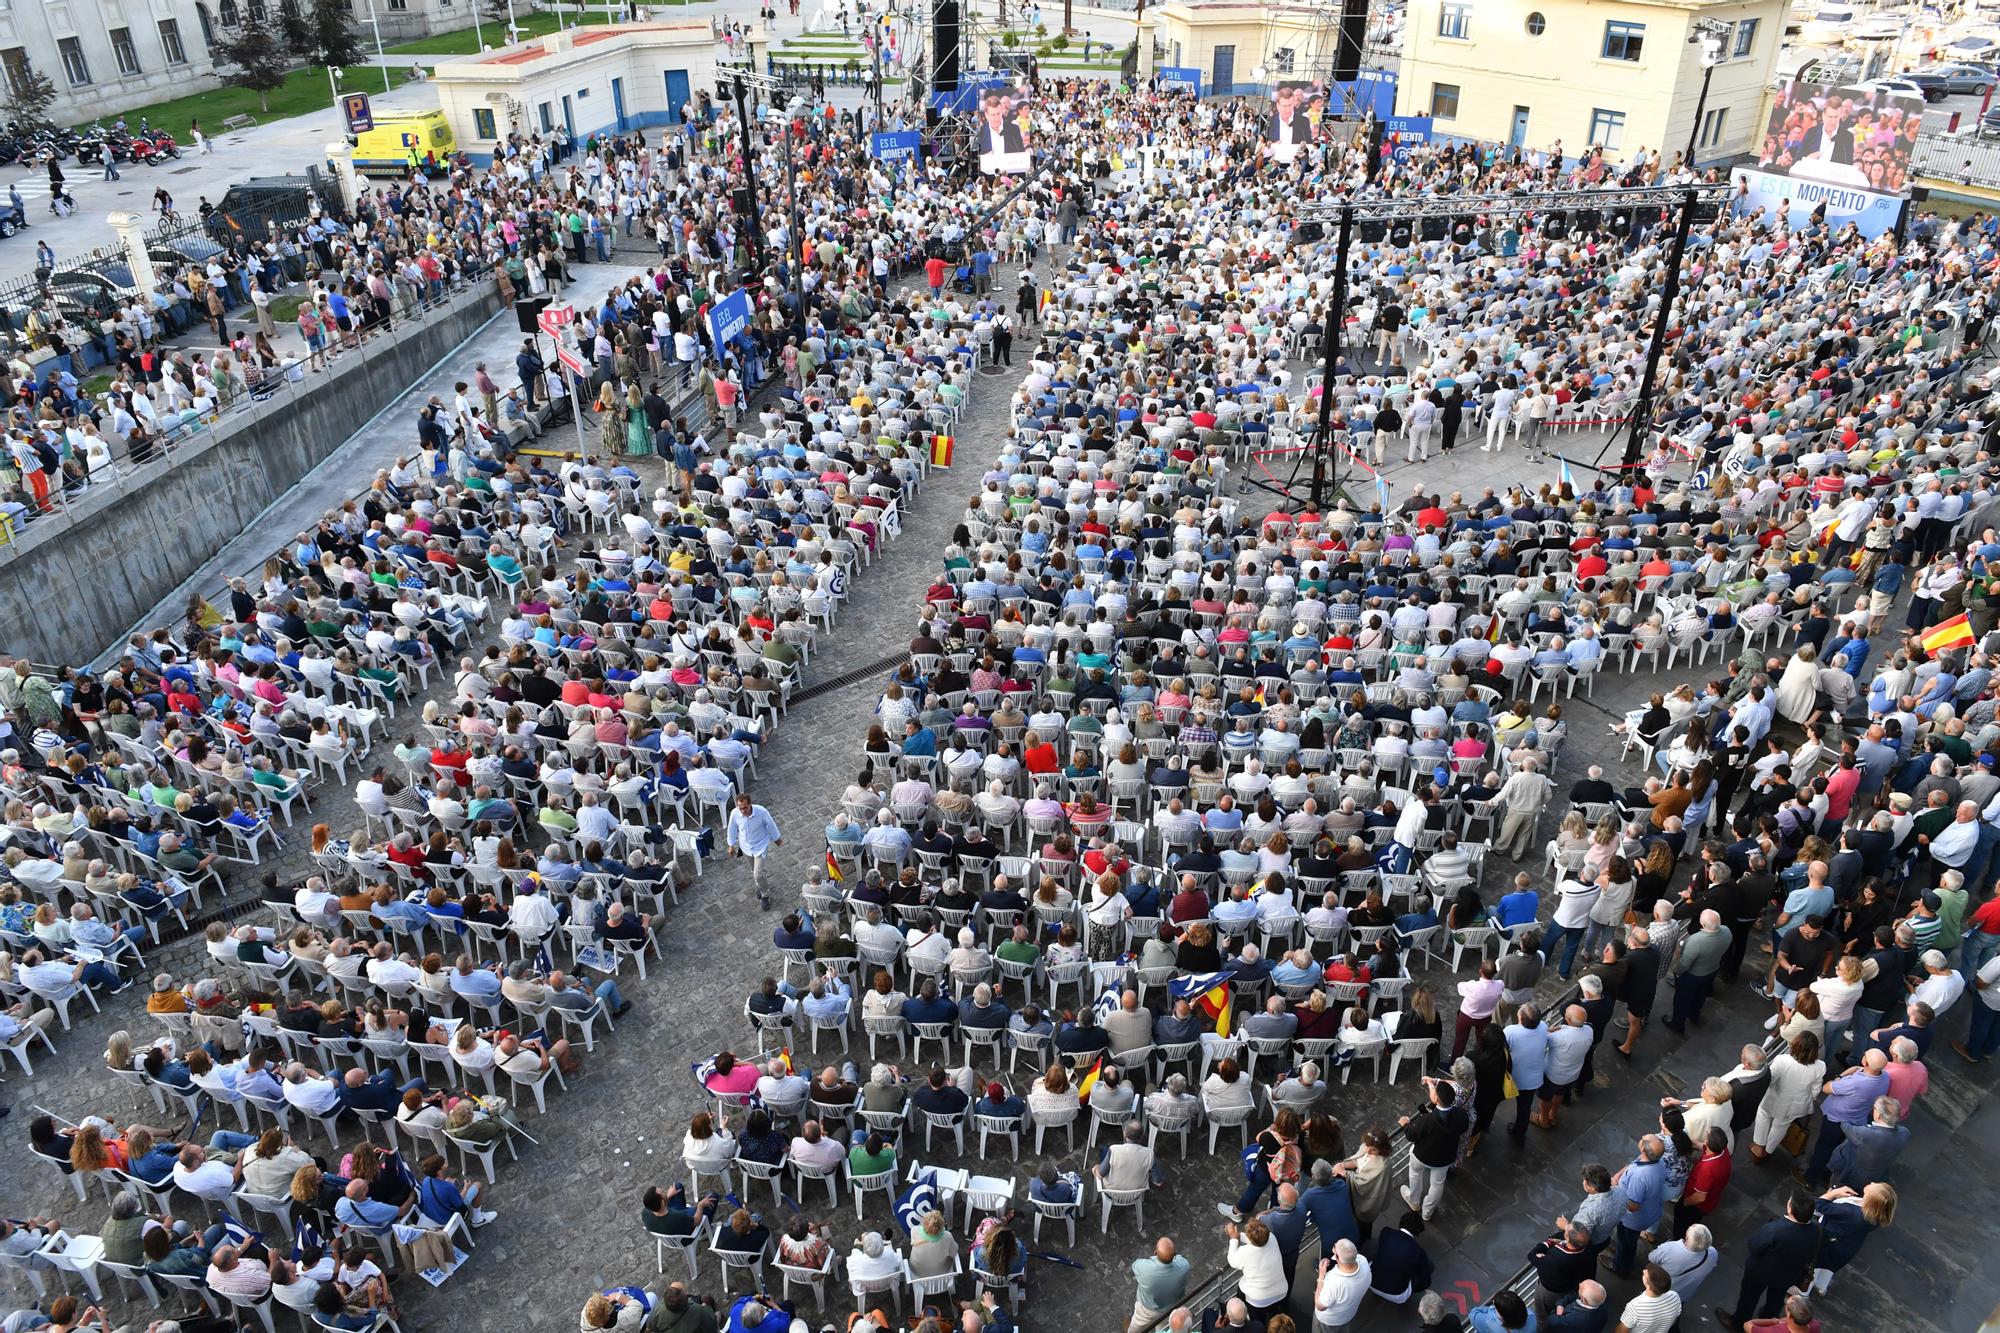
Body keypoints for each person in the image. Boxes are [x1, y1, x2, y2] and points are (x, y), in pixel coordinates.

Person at [1718, 1189, 1821, 1331]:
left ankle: (1738, 1323)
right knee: (1776, 1301)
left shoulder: (1776, 1229)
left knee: (1749, 1297)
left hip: (1761, 1272)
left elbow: (1754, 1246)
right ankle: (1769, 1320)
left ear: (1790, 1208)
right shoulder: (1816, 1229)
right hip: (1788, 1275)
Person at [725, 793, 782, 909]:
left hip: (761, 845)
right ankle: (759, 885)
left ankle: (765, 894)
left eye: (745, 807)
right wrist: (731, 845)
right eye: (740, 808)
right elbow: (732, 829)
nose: (743, 811)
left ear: (750, 804)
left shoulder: (761, 812)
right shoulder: (735, 813)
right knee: (753, 870)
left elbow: (770, 824)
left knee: (758, 873)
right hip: (745, 847)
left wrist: (776, 838)